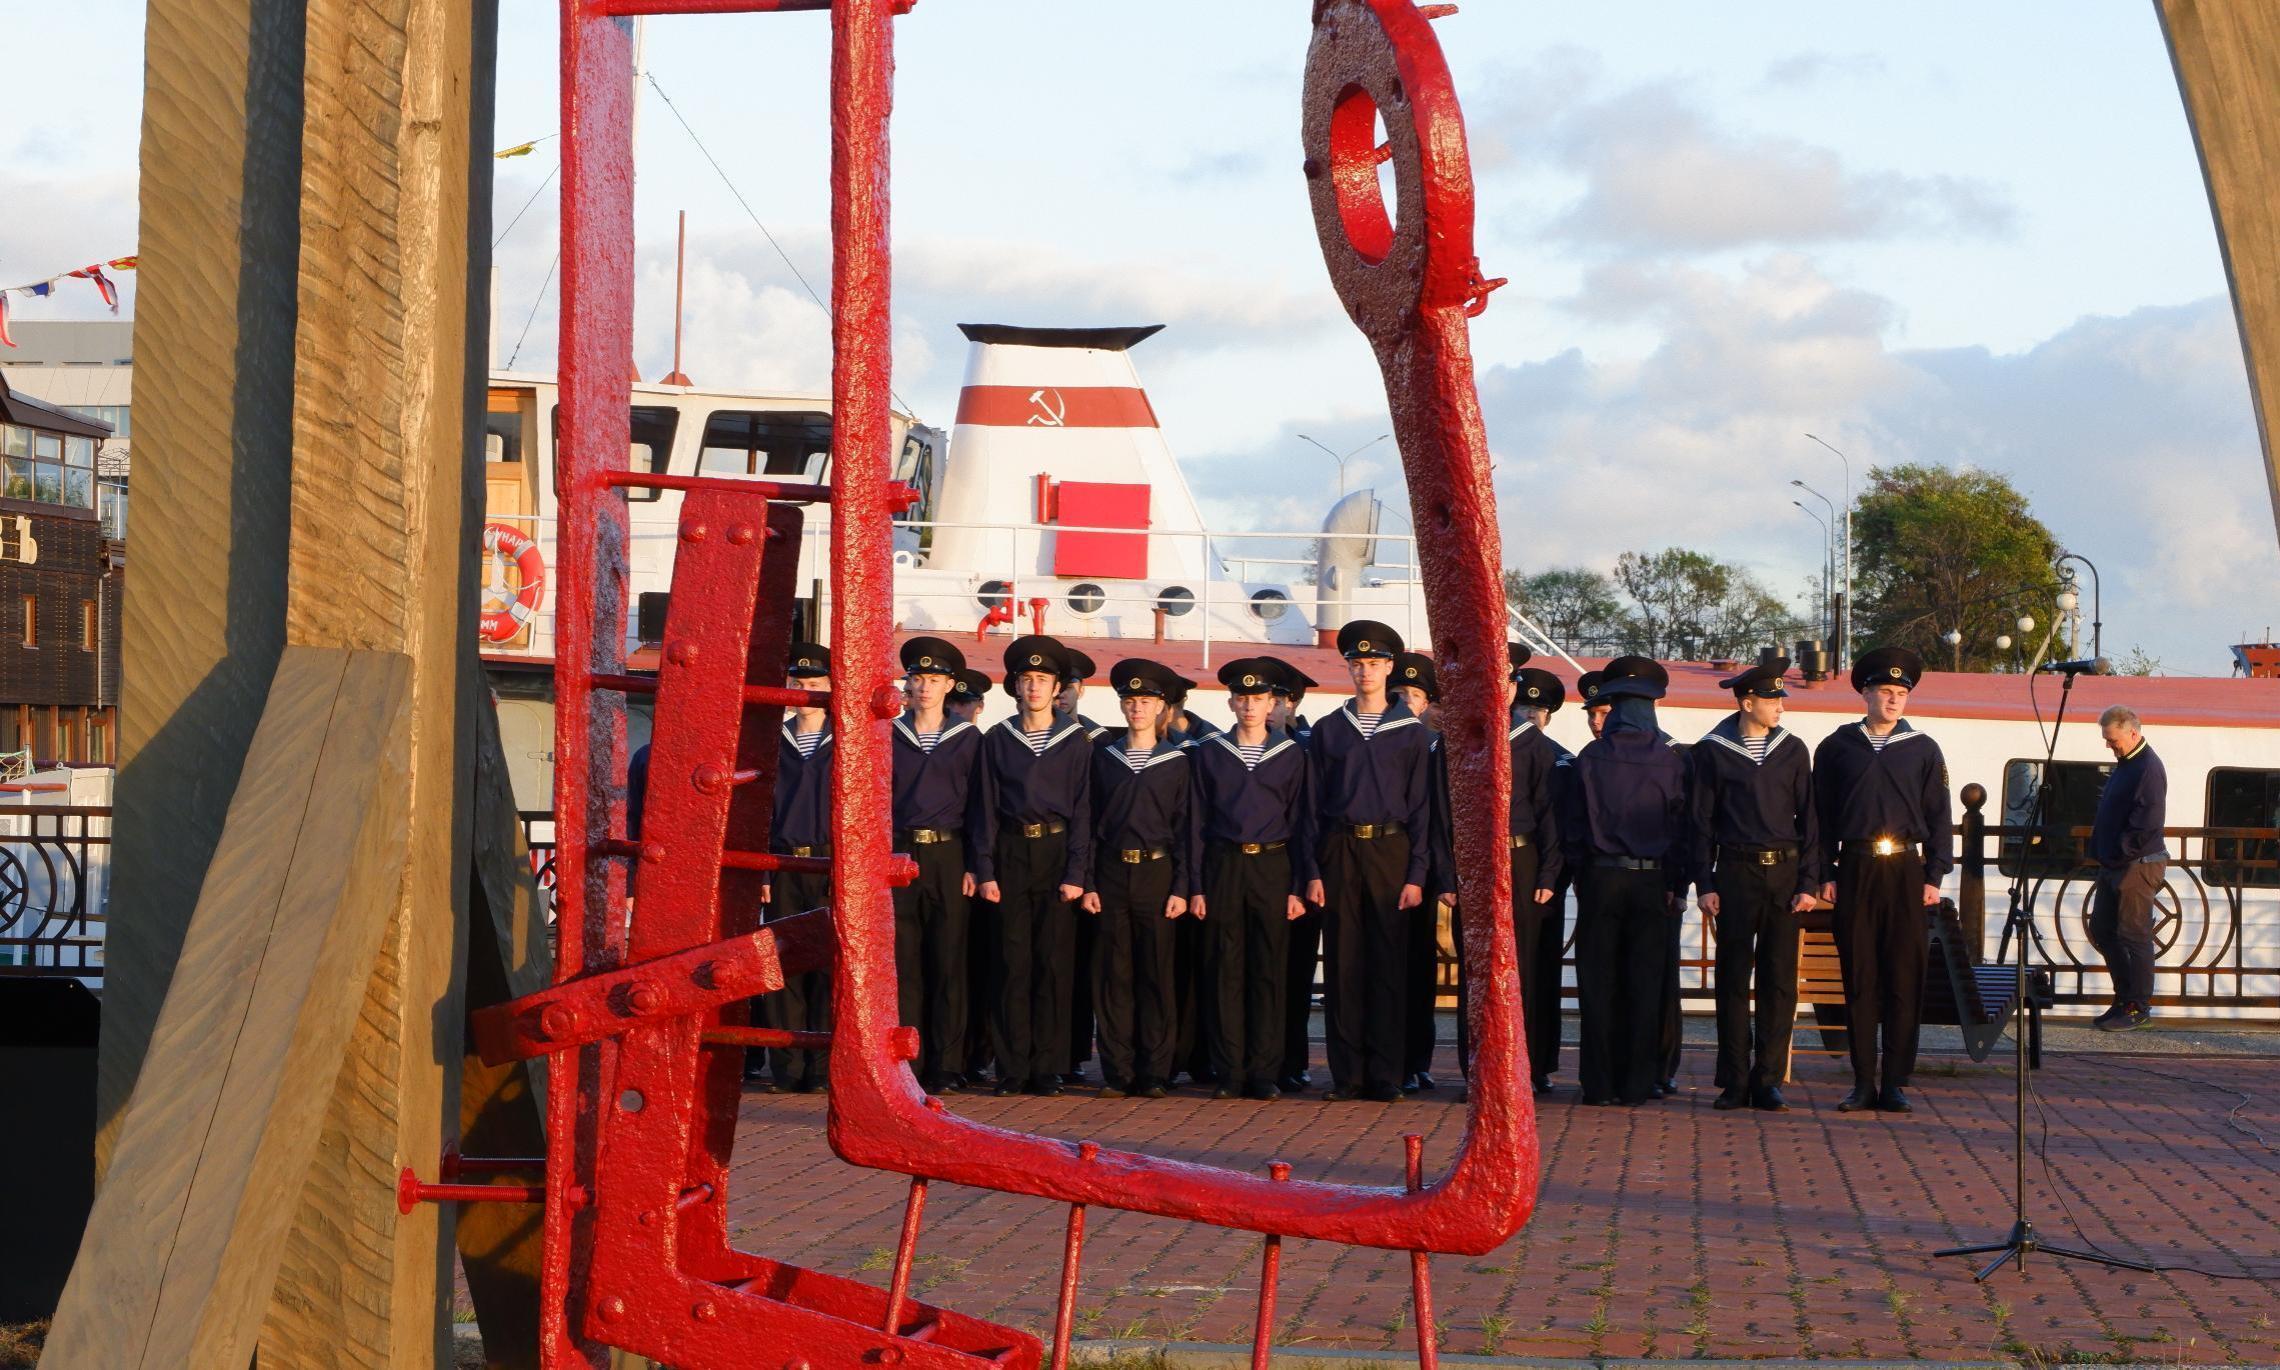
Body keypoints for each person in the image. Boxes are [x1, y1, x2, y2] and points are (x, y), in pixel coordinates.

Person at [1813, 646, 1951, 1115]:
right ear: (1866, 693)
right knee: (1860, 977)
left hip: (1906, 873)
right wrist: (1823, 873)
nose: (1893, 700)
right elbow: (1819, 818)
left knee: (1903, 978)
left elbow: (1940, 817)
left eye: (1900, 694)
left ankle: (1895, 1082)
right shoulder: (1836, 747)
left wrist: (1934, 873)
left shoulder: (1924, 749)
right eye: (1885, 692)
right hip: (1854, 868)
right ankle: (1861, 1082)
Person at [1308, 621, 1434, 1102]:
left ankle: (1386, 1073)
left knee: (1388, 965)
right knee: (1343, 963)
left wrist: (1418, 872)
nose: (1365, 671)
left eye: (1375, 664)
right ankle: (1348, 1074)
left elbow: (1423, 807)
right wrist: (1313, 871)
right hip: (1340, 849)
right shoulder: (1328, 730)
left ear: (1389, 668)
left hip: (1391, 851)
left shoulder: (1411, 734)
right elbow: (1312, 808)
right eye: (1357, 664)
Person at [1689, 659, 1816, 1113]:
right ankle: (1734, 1079)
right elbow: (1700, 822)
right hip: (1737, 873)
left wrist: (1809, 881)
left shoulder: (1794, 749)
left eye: (1780, 698)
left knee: (1780, 980)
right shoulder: (1713, 751)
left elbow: (1810, 820)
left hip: (1784, 875)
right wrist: (1704, 882)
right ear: (1748, 703)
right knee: (1732, 978)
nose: (1780, 706)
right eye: (1771, 699)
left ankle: (1768, 1080)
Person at [974, 635, 1095, 1096]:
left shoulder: (1075, 741)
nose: (1034, 688)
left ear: (1057, 687)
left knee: (1053, 963)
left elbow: (1084, 811)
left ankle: (1047, 1066)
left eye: (1043, 680)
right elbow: (984, 808)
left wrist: (1076, 874)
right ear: (1016, 687)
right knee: (1011, 963)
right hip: (1010, 852)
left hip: (1056, 853)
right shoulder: (998, 739)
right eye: (1027, 680)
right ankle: (1012, 1066)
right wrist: (984, 869)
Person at [1191, 657, 1316, 1099]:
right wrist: (1197, 885)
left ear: (1271, 704)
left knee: (1268, 969)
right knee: (1225, 968)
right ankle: (1230, 1070)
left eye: (1258, 699)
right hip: (1224, 865)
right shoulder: (1210, 754)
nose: (1250, 706)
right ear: (1230, 703)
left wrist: (1300, 884)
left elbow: (1303, 822)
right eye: (1242, 698)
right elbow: (1197, 823)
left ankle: (1264, 1071)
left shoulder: (1293, 755)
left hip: (1273, 866)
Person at [1563, 661, 1688, 1106]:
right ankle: (1637, 1083)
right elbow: (1679, 828)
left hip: (1601, 877)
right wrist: (1677, 883)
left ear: (1614, 710)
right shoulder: (1670, 761)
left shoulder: (1592, 758)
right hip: (1651, 880)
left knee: (1597, 983)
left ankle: (1598, 1083)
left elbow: (1574, 825)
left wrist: (1580, 873)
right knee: (1644, 982)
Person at [1083, 660, 1196, 1097]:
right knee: (1114, 974)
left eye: (1146, 702)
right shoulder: (1105, 759)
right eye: (1130, 702)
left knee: (1156, 974)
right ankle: (1119, 1070)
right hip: (1112, 872)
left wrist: (1182, 887)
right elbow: (1090, 821)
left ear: (1161, 708)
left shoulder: (1178, 763)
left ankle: (1155, 1071)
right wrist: (1089, 881)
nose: (1137, 709)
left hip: (1158, 871)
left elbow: (1188, 827)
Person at [890, 636, 985, 1093]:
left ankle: (947, 1063)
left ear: (950, 686)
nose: (925, 687)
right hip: (901, 853)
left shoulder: (969, 740)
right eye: (918, 678)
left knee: (949, 961)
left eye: (934, 680)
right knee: (904, 962)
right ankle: (909, 1059)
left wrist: (977, 865)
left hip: (950, 855)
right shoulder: (890, 734)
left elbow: (982, 807)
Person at [759, 642, 836, 1092]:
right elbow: (760, 810)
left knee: (828, 969)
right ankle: (787, 1069)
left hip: (827, 863)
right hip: (784, 863)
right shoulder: (774, 742)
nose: (805, 693)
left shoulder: (845, 742)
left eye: (814, 685)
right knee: (784, 965)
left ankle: (823, 1066)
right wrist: (764, 872)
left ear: (830, 688)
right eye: (799, 684)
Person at [2089, 704, 2168, 1031]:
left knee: (2134, 934)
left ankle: (2138, 1006)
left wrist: (2117, 853)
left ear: (2132, 733)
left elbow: (2146, 824)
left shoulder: (2147, 767)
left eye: (2113, 740)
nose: (2110, 746)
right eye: (2107, 740)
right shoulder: (2127, 763)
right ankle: (2123, 999)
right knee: (2103, 929)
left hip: (2136, 864)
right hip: (2116, 863)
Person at [1513, 662, 1571, 1094]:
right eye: (1524, 708)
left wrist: (1552, 876)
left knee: (1538, 972)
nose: (1531, 717)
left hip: (1542, 874)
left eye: (1538, 712)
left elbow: (1559, 824)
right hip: (1514, 866)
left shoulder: (1560, 758)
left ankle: (1538, 1062)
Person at [1397, 650, 1447, 1092]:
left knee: (1418, 966)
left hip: (1426, 869)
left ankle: (1418, 1057)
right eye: (1401, 693)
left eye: (1415, 695)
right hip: (1389, 864)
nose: (1407, 702)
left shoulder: (1437, 749)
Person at [1057, 645, 1104, 1083]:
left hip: (1086, 867)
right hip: (1043, 862)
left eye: (1070, 686)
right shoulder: (1010, 736)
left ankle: (1073, 1051)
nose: (1063, 695)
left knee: (1079, 965)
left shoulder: (1099, 740)